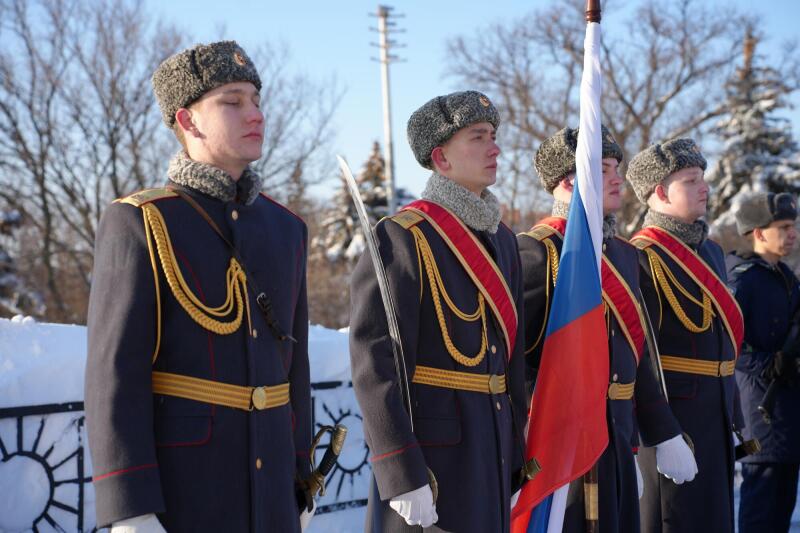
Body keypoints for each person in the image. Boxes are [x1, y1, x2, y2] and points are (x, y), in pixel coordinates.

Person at [85, 41, 313, 532]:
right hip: (187, 493)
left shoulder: (287, 228)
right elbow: (115, 374)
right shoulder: (142, 221)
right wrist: (129, 506)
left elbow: (294, 370)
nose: (255, 113)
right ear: (188, 121)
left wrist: (302, 476)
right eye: (233, 101)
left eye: (256, 99)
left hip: (275, 495)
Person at [349, 90, 529, 532]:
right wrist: (399, 468)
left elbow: (512, 362)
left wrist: (517, 454)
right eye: (478, 137)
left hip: (491, 448)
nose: (494, 148)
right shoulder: (402, 236)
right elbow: (375, 361)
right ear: (440, 157)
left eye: (493, 135)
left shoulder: (504, 241)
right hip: (432, 457)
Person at [518, 126, 691, 533]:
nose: (618, 178)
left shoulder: (623, 254)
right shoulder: (538, 250)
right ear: (568, 181)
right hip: (563, 446)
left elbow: (635, 355)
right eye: (604, 169)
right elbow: (522, 363)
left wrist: (661, 433)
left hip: (618, 435)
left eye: (616, 167)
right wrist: (526, 454)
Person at [627, 138, 746, 533]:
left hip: (715, 412)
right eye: (691, 180)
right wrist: (660, 432)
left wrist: (734, 413)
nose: (704, 188)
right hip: (674, 417)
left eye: (702, 178)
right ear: (660, 192)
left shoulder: (710, 252)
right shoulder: (639, 257)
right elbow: (640, 355)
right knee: (674, 520)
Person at [727, 191, 800, 533]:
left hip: (787, 413)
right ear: (758, 232)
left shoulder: (785, 276)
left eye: (793, 226)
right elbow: (729, 344)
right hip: (759, 413)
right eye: (783, 227)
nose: (792, 233)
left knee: (781, 511)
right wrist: (769, 363)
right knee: (760, 514)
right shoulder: (741, 279)